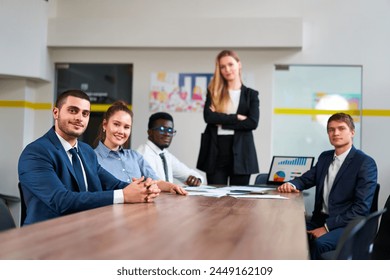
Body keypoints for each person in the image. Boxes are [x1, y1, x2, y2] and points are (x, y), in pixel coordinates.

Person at [18, 90, 160, 225]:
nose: (79, 118)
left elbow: (113, 184)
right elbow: (61, 201)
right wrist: (123, 195)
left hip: (86, 227)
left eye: (85, 114)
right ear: (56, 112)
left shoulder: (86, 151)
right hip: (46, 236)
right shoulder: (36, 153)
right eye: (73, 111)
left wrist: (145, 188)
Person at [277, 112, 377, 259]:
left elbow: (361, 209)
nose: (335, 133)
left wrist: (326, 228)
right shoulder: (325, 157)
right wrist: (292, 183)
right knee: (285, 233)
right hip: (320, 219)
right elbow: (306, 179)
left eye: (341, 128)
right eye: (331, 129)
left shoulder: (365, 163)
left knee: (318, 243)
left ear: (352, 132)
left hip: (347, 224)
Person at [94, 101, 187, 195]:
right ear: (105, 125)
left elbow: (156, 182)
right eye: (116, 124)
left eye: (126, 127)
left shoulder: (135, 156)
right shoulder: (92, 158)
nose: (121, 131)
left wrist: (172, 186)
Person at [196, 49, 259, 185]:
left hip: (241, 153)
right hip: (215, 152)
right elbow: (209, 118)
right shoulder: (213, 93)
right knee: (215, 201)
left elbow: (252, 123)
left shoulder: (251, 95)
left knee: (240, 201)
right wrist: (236, 118)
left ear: (239, 64)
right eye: (222, 66)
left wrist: (221, 121)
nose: (227, 69)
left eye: (230, 64)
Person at [137, 112, 204, 186]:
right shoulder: (142, 155)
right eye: (161, 129)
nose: (167, 134)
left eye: (170, 130)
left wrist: (196, 180)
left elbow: (189, 173)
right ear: (150, 132)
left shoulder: (165, 155)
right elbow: (154, 185)